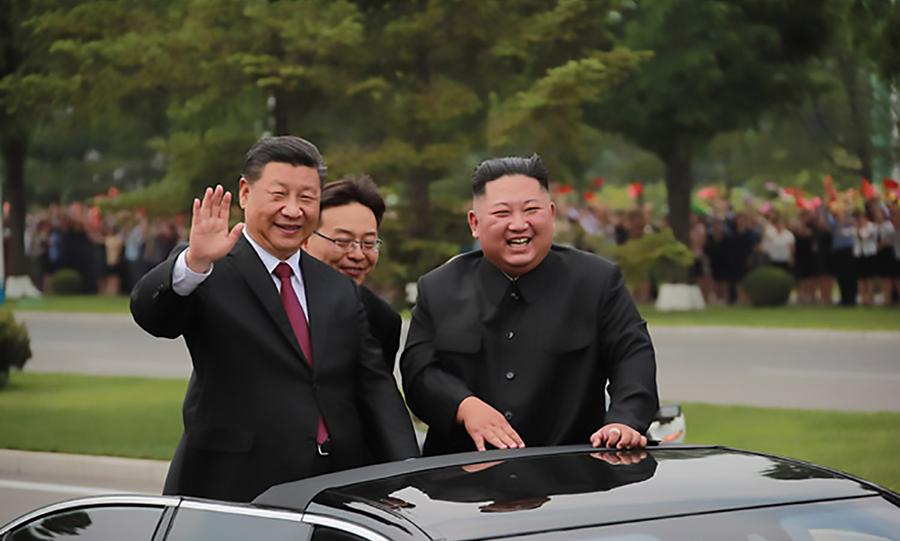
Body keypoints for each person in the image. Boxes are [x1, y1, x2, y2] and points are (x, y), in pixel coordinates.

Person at [130, 136, 418, 503]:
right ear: (246, 194)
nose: (293, 210)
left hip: (331, 489)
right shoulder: (208, 268)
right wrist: (194, 263)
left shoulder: (336, 287)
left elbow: (375, 385)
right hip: (233, 486)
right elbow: (152, 315)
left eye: (306, 198)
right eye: (279, 195)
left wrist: (407, 469)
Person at [400, 154, 658, 457]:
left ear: (550, 214)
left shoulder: (597, 281)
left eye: (531, 210)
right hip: (464, 481)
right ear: (474, 223)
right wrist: (464, 406)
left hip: (571, 474)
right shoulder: (439, 287)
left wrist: (624, 421)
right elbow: (419, 372)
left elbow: (632, 356)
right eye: (502, 213)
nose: (519, 224)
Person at [303, 175, 401, 371]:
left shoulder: (382, 320)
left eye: (368, 243)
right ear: (304, 240)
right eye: (342, 241)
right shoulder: (271, 298)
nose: (357, 255)